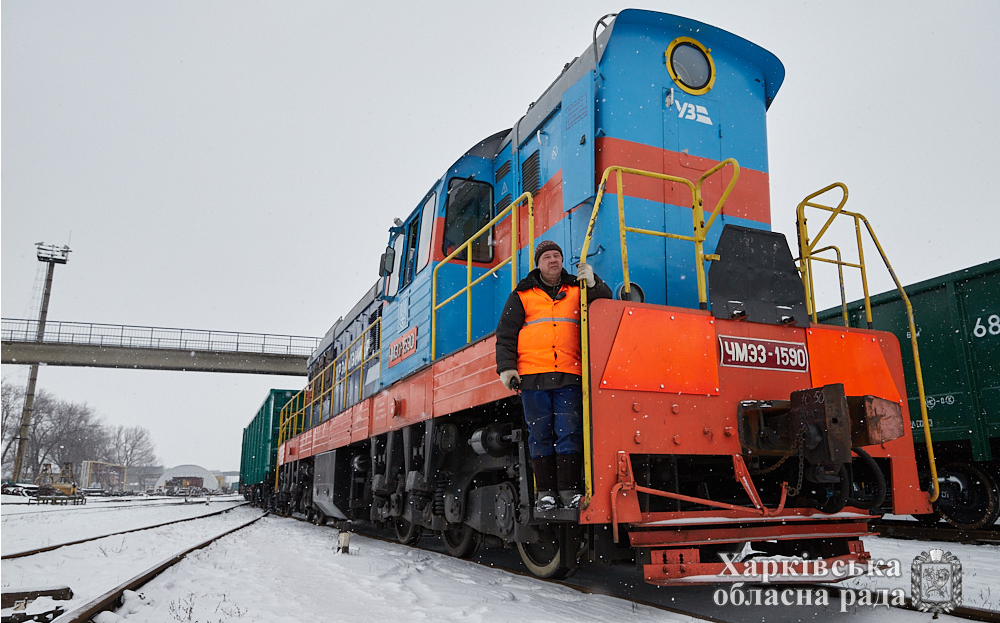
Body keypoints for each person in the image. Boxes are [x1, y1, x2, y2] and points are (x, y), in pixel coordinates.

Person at [495, 240, 612, 511]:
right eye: (547, 257)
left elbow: (604, 303)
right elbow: (506, 333)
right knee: (540, 434)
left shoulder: (577, 288)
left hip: (569, 375)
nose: (553, 260)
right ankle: (545, 493)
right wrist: (507, 368)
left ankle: (569, 491)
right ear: (538, 263)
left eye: (557, 256)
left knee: (568, 432)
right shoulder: (522, 295)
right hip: (533, 377)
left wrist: (594, 283)